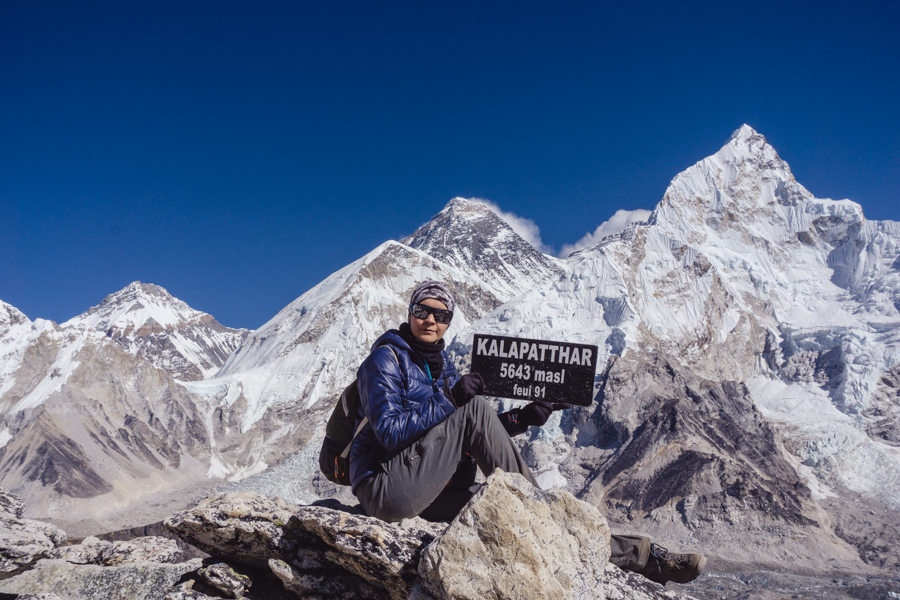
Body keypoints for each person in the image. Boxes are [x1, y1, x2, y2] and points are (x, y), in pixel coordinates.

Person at [349, 280, 706, 586]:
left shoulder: (439, 369)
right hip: (385, 489)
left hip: (427, 491)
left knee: (512, 504)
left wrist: (522, 419)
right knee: (477, 415)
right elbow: (391, 434)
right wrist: (453, 398)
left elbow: (463, 440)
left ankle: (641, 557)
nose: (430, 319)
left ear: (449, 323)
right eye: (422, 310)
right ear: (409, 312)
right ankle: (544, 514)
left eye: (440, 315)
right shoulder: (385, 359)